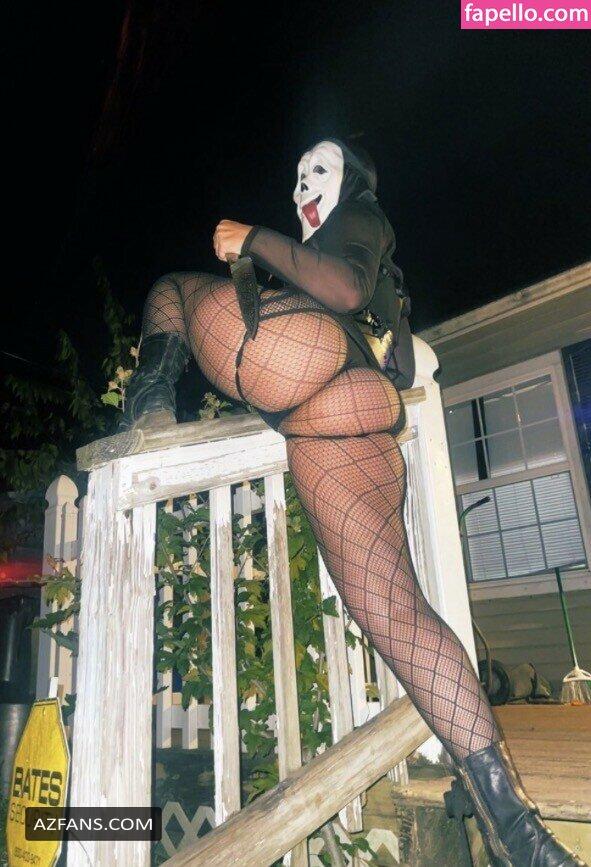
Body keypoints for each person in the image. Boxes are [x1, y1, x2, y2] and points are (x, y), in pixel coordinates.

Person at [119, 139, 583, 867]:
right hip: (350, 421)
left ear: (354, 182)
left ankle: (147, 411)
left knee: (173, 291)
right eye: (297, 176)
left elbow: (341, 288)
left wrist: (253, 239)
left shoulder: (359, 217)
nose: (302, 185)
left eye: (320, 171)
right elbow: (394, 351)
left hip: (311, 366)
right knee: (400, 617)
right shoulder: (351, 253)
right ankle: (515, 831)